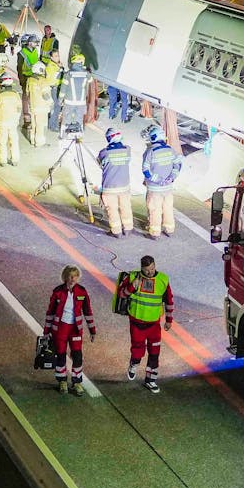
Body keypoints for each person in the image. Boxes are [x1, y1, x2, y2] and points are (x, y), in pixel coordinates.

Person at [123, 255, 173, 393]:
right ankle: (134, 363)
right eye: (147, 270)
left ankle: (150, 380)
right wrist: (132, 287)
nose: (150, 272)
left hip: (154, 325)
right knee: (138, 350)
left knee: (155, 353)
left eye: (152, 268)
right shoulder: (133, 277)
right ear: (141, 269)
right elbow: (122, 294)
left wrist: (169, 320)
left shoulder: (163, 279)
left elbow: (169, 300)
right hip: (136, 323)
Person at [43, 265, 96, 396]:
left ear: (78, 277)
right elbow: (50, 312)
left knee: (77, 355)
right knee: (60, 355)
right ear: (65, 277)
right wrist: (46, 331)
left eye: (75, 276)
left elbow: (88, 312)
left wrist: (92, 330)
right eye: (70, 276)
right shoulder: (57, 292)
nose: (72, 279)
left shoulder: (82, 292)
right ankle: (62, 381)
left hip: (75, 329)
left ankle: (77, 382)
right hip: (60, 329)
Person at [142, 124, 182, 238]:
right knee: (168, 208)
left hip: (155, 189)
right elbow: (178, 165)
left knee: (155, 210)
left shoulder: (150, 152)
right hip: (168, 188)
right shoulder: (170, 150)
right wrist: (171, 178)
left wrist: (159, 181)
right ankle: (169, 229)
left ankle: (155, 233)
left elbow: (146, 171)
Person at [96, 128, 134, 237]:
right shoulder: (127, 150)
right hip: (124, 186)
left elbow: (100, 164)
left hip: (110, 187)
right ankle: (128, 228)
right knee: (126, 207)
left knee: (112, 210)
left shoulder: (104, 152)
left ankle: (116, 231)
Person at [0, 71, 23, 165]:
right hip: (13, 122)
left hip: (2, 122)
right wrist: (17, 119)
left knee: (2, 141)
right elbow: (19, 109)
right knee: (14, 141)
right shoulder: (15, 94)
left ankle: (3, 161)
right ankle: (15, 160)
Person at [57, 53, 91, 132]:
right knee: (79, 119)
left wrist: (60, 100)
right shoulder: (87, 74)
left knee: (66, 119)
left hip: (69, 102)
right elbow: (89, 83)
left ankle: (63, 134)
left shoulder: (68, 74)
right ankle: (79, 133)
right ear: (82, 62)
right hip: (81, 102)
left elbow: (63, 90)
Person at [26, 62, 54, 146]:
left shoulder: (30, 79)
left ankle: (33, 140)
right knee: (40, 125)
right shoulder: (43, 81)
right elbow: (46, 95)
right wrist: (51, 103)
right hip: (41, 107)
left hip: (33, 105)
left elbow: (27, 92)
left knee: (34, 124)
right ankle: (39, 142)